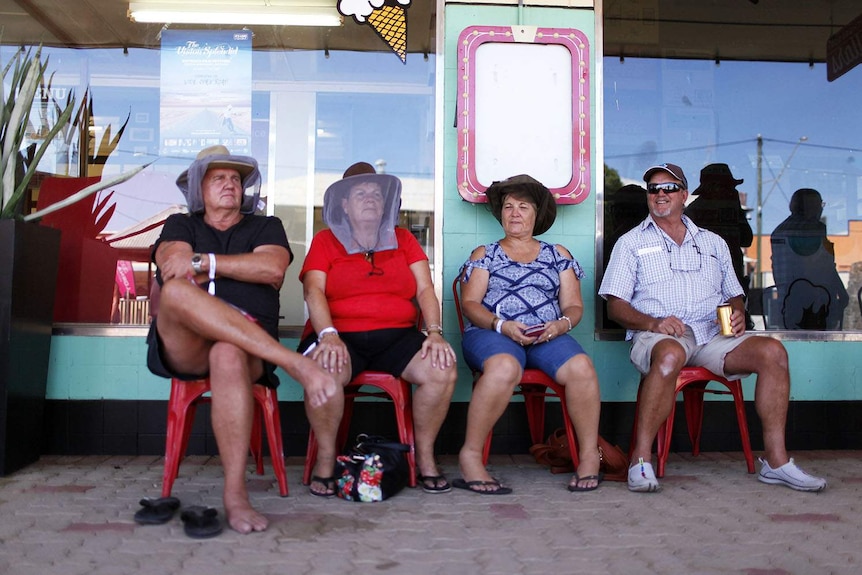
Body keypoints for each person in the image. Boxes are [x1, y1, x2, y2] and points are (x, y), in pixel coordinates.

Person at [599, 162, 826, 493]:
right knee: (667, 357)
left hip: (710, 336)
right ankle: (640, 460)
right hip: (660, 335)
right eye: (653, 189)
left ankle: (776, 463)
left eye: (669, 188)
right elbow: (615, 305)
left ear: (684, 195)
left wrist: (735, 313)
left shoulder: (713, 242)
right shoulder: (630, 242)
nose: (660, 195)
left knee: (772, 352)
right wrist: (653, 322)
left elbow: (734, 295)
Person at [147, 145, 336, 533]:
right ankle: (295, 363)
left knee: (228, 353)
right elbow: (175, 271)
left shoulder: (265, 227)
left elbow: (271, 268)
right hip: (187, 344)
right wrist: (226, 269)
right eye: (218, 178)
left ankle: (235, 494)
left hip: (246, 348)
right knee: (178, 294)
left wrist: (206, 264)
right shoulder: (180, 224)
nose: (230, 184)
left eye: (236, 179)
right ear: (199, 188)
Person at [298, 162, 456, 497]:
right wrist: (327, 334)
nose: (370, 198)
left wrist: (435, 332)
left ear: (386, 203)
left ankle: (425, 457)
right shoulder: (325, 241)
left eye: (376, 193)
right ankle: (326, 460)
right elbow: (313, 290)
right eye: (360, 193)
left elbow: (425, 289)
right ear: (343, 203)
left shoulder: (403, 240)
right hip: (338, 335)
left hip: (396, 336)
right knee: (323, 371)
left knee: (441, 368)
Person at [457, 174, 602, 494]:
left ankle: (590, 455)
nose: (514, 213)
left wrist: (560, 325)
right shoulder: (486, 253)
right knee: (505, 367)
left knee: (581, 369)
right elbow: (470, 304)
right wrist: (501, 325)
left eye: (523, 206)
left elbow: (574, 306)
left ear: (537, 214)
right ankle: (470, 456)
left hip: (546, 335)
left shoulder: (557, 254)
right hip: (492, 332)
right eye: (508, 206)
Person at [685, 163, 754, 327]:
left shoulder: (731, 209)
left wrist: (736, 212)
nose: (730, 192)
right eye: (727, 187)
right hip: (702, 288)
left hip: (732, 283)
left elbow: (747, 238)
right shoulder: (693, 214)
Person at [771, 188, 848, 330]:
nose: (821, 210)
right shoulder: (816, 229)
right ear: (808, 207)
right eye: (819, 205)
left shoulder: (778, 231)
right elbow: (826, 266)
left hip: (787, 306)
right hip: (818, 304)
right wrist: (841, 293)